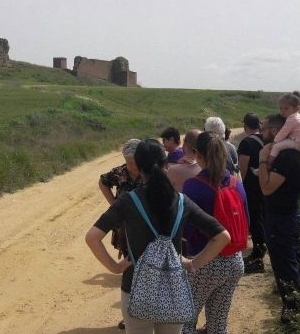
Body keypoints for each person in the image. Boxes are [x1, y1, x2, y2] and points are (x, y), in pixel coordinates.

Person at [86, 139, 231, 334]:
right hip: (173, 288)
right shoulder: (181, 201)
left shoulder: (129, 201)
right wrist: (191, 263)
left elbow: (92, 237)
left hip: (134, 287)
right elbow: (222, 237)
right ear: (166, 164)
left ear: (137, 167)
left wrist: (114, 267)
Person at [181, 131, 245, 334]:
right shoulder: (236, 183)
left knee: (185, 322)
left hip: (204, 261)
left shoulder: (192, 186)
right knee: (218, 324)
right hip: (235, 262)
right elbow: (246, 222)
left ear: (197, 155)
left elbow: (187, 230)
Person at [258, 114, 300, 323]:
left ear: (277, 130)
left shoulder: (287, 156)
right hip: (287, 216)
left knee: (284, 266)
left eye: (265, 128)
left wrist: (262, 160)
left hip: (282, 219)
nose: (262, 132)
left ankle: (293, 314)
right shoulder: (287, 153)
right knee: (293, 261)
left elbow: (266, 187)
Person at [99, 139, 143, 331]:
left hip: (146, 229)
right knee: (129, 271)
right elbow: (103, 182)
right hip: (125, 230)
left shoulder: (150, 172)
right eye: (128, 161)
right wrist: (114, 205)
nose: (131, 165)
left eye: (133, 161)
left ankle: (145, 312)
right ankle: (130, 315)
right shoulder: (119, 172)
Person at [237, 113, 267, 273]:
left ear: (245, 126)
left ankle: (258, 254)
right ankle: (260, 251)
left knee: (255, 220)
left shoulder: (246, 143)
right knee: (262, 218)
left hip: (252, 187)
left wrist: (238, 187)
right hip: (266, 184)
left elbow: (242, 168)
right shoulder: (266, 139)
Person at [268, 91, 300, 166]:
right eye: (281, 108)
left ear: (296, 109)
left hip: (298, 142)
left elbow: (283, 132)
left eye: (286, 108)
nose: (282, 111)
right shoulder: (296, 117)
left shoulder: (292, 119)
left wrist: (274, 142)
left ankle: (267, 165)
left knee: (276, 147)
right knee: (280, 144)